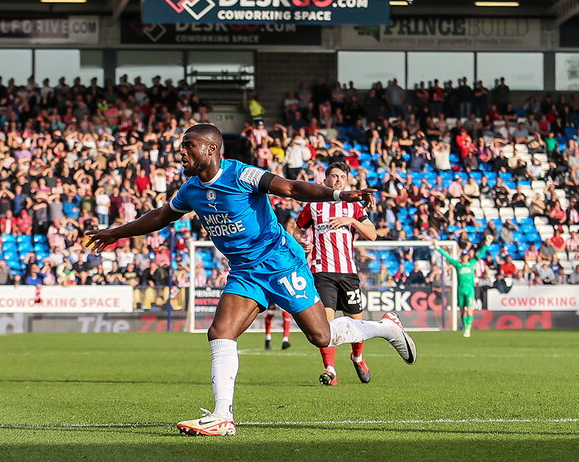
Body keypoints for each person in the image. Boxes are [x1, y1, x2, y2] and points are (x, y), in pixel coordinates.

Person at [85, 124, 416, 437]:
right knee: (220, 332)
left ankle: (386, 328)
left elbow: (292, 188)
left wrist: (339, 195)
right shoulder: (191, 190)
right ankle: (222, 416)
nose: (181, 152)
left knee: (321, 336)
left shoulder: (242, 174)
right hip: (245, 271)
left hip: (280, 262)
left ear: (211, 149)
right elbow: (160, 216)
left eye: (189, 146)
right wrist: (116, 233)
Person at [295, 161, 378, 386]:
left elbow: (372, 234)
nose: (338, 180)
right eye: (334, 176)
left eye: (342, 177)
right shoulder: (314, 206)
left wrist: (351, 221)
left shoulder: (354, 207)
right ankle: (330, 370)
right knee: (326, 323)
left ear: (347, 181)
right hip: (322, 272)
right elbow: (297, 230)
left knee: (356, 324)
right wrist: (302, 242)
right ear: (326, 180)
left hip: (348, 272)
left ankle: (357, 357)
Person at [436, 245, 487, 338]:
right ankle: (465, 326)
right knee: (462, 310)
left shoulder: (471, 263)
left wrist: (486, 245)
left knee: (470, 309)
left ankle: (468, 329)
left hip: (470, 290)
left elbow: (480, 255)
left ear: (468, 256)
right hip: (460, 290)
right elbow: (447, 257)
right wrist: (438, 248)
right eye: (463, 256)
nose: (464, 257)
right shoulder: (458, 265)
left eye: (465, 256)